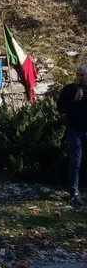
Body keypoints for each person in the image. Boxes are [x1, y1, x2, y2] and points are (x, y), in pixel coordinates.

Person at [57, 64, 87, 206]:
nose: (79, 77)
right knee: (76, 163)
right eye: (78, 74)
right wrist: (74, 100)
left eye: (82, 75)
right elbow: (60, 109)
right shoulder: (69, 90)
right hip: (76, 131)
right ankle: (74, 193)